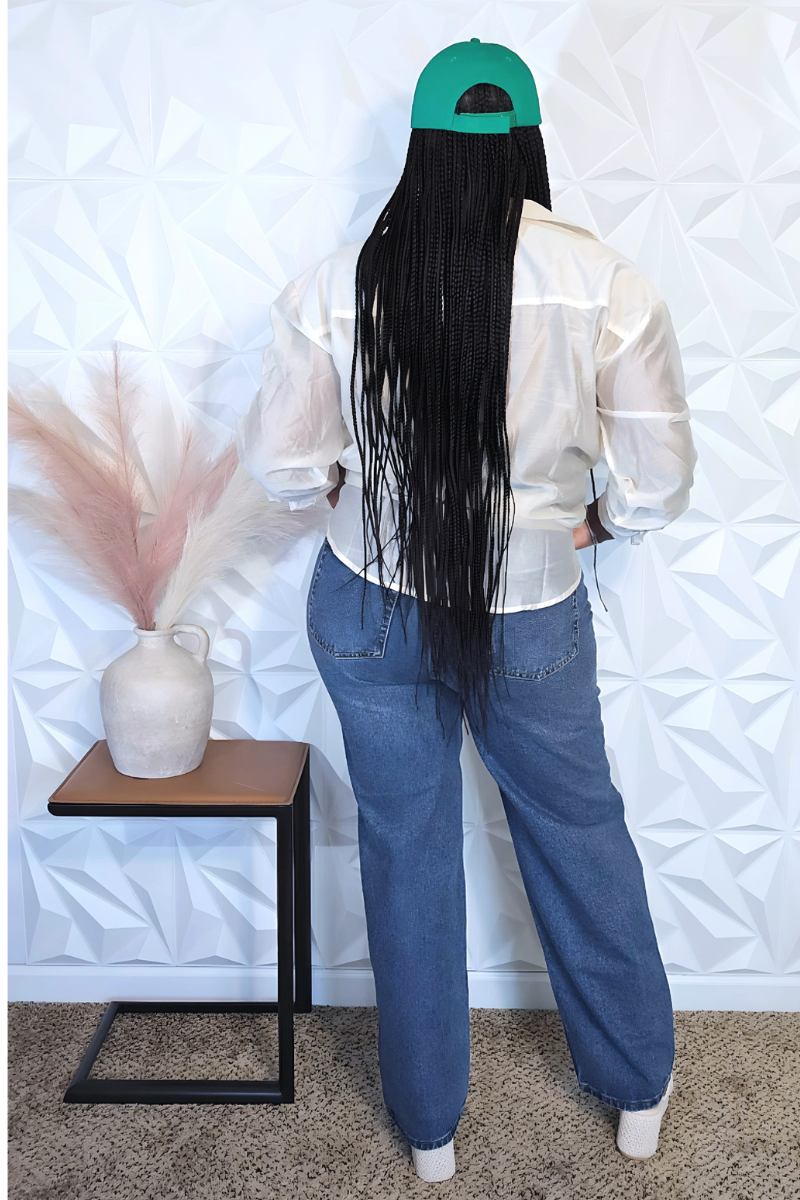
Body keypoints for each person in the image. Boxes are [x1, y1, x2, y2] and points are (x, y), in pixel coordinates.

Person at [237, 39, 697, 1184]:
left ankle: (429, 1128)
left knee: (404, 847)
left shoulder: (335, 281)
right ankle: (635, 1090)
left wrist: (351, 492)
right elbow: (653, 482)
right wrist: (586, 524)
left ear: (422, 148)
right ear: (526, 142)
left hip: (370, 603)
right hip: (531, 607)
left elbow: (289, 469)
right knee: (578, 831)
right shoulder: (604, 280)